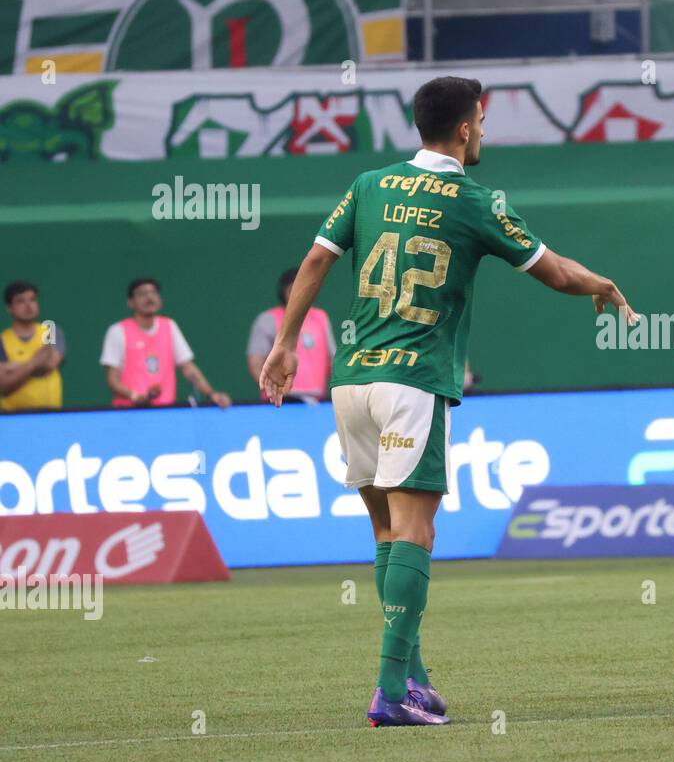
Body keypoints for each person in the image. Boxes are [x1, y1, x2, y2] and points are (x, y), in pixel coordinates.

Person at [259, 76, 636, 727]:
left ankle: (412, 676)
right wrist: (601, 282)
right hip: (414, 383)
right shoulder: (474, 199)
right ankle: (388, 692)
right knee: (416, 531)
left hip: (352, 382)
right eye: (482, 123)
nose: (482, 133)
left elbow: (315, 262)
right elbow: (554, 272)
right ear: (466, 127)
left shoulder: (369, 183)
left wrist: (286, 343)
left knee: (385, 532)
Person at [101, 277, 232, 408]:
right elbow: (112, 380)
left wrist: (211, 393)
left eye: (153, 293)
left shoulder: (169, 326)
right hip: (129, 412)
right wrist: (135, 397)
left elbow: (188, 368)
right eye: (142, 294)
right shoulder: (118, 331)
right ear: (130, 302)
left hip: (165, 412)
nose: (149, 297)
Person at [247, 268, 336, 402]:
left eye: (306, 288)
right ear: (284, 292)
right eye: (293, 288)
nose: (301, 293)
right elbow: (255, 362)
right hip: (280, 402)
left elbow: (333, 361)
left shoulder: (321, 317)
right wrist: (272, 390)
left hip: (316, 402)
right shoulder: (268, 319)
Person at [0, 280, 64, 413]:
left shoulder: (50, 330)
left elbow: (49, 364)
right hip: (12, 419)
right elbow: (3, 385)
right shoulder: (2, 340)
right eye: (21, 301)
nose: (28, 306)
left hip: (52, 415)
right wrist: (34, 362)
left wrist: (11, 366)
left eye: (32, 299)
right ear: (9, 307)